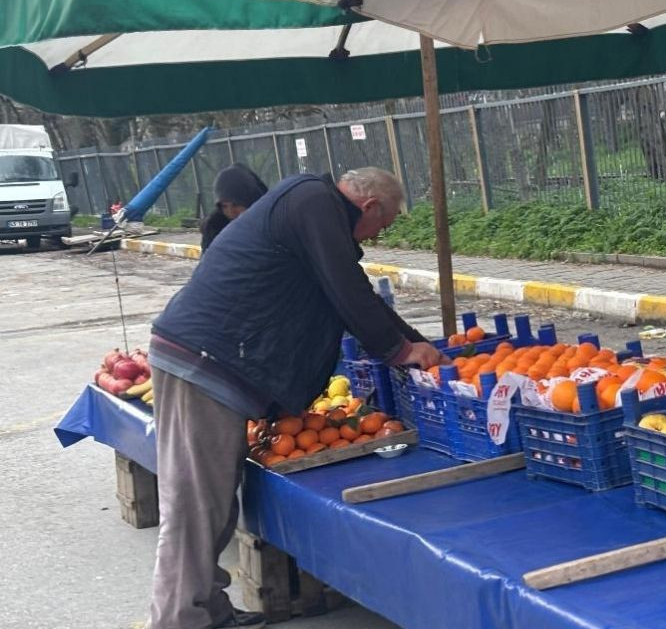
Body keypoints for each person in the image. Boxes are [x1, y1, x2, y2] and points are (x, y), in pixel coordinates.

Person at [144, 167, 446, 629]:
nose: (376, 236)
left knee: (212, 501)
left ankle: (206, 610)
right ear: (369, 207)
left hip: (214, 361)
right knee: (194, 505)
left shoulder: (314, 208)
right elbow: (346, 290)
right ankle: (178, 620)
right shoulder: (314, 202)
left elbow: (353, 290)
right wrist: (400, 350)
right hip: (204, 363)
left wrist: (412, 344)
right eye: (382, 225)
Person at [200, 164, 269, 250]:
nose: (230, 212)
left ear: (250, 202)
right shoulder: (214, 228)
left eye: (235, 205)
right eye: (224, 206)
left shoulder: (270, 221)